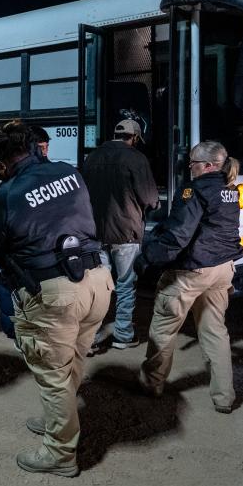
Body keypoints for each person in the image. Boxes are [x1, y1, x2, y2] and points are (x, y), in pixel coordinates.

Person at [0, 119, 112, 478]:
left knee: (53, 374)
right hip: (98, 281)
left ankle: (60, 454)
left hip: (55, 292)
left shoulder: (6, 194)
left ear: (2, 164)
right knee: (73, 361)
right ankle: (60, 420)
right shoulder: (68, 172)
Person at [135, 140, 243, 414]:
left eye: (193, 163)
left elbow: (178, 235)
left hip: (192, 271)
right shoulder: (231, 189)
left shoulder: (193, 190)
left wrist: (147, 258)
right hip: (222, 269)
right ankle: (224, 397)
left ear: (208, 166)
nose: (189, 167)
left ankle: (151, 383)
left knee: (163, 328)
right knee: (215, 331)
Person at [81, 119, 159, 350]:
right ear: (134, 138)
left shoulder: (92, 157)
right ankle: (123, 335)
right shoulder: (136, 158)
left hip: (94, 233)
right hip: (126, 233)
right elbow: (150, 198)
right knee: (125, 285)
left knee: (98, 287)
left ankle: (91, 338)